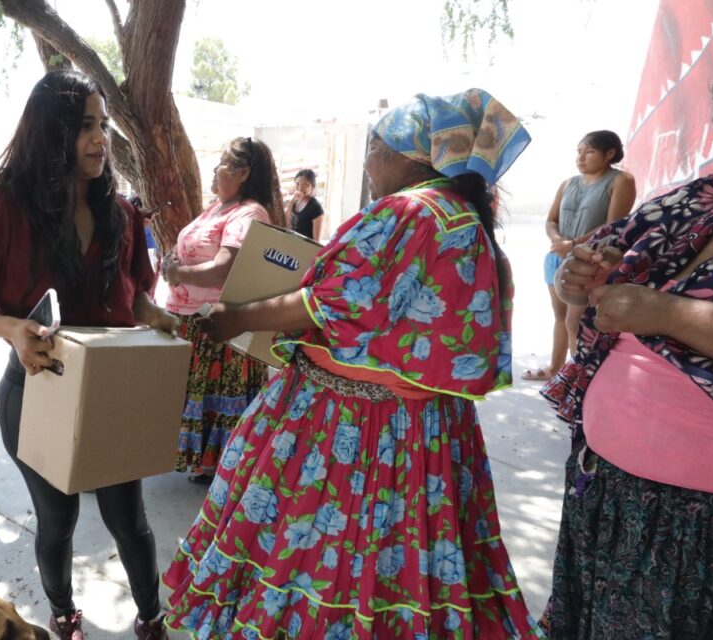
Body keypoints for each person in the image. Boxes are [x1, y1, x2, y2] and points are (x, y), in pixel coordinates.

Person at [162, 89, 544, 638]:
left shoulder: (410, 211)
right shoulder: (465, 220)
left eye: (373, 149)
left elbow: (332, 301)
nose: (367, 165)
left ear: (406, 155)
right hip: (425, 431)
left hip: (355, 426)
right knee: (396, 552)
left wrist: (237, 317)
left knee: (323, 546)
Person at [0, 70, 177, 640]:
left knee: (129, 520)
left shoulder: (121, 210)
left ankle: (152, 620)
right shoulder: (2, 210)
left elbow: (133, 294)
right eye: (85, 127)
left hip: (112, 392)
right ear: (52, 134)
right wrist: (12, 330)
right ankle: (65, 616)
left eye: (103, 127)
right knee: (58, 519)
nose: (100, 140)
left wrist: (159, 317)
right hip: (37, 392)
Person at [540, 38, 713, 638]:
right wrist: (579, 279)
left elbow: (664, 315)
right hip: (612, 498)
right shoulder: (695, 207)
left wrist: (666, 313)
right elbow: (594, 294)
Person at [162, 136, 286, 484]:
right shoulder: (217, 208)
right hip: (189, 321)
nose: (215, 168)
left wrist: (176, 273)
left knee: (212, 396)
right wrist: (173, 261)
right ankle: (201, 460)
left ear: (243, 172)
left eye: (222, 160)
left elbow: (224, 267)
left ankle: (217, 465)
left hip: (213, 327)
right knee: (194, 395)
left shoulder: (250, 213)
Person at [523, 131, 635, 381]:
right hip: (555, 257)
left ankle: (577, 379)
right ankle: (555, 368)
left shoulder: (621, 180)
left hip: (588, 262)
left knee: (576, 322)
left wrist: (572, 244)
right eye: (579, 152)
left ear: (610, 154)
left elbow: (613, 225)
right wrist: (558, 241)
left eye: (590, 151)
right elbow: (551, 220)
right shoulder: (568, 183)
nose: (581, 157)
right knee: (560, 318)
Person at [287, 168, 325, 240]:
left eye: (306, 185)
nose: (300, 188)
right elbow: (284, 224)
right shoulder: (293, 202)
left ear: (313, 187)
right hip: (290, 244)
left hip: (304, 248)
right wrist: (291, 202)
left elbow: (316, 241)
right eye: (297, 184)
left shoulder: (316, 208)